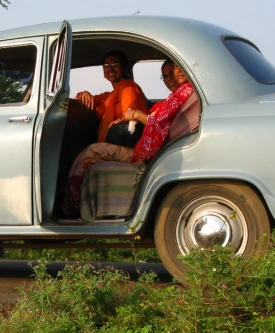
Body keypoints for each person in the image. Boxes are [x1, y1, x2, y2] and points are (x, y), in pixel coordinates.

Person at [63, 59, 195, 216]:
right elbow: (97, 100)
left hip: (150, 151)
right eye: (165, 76)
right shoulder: (176, 95)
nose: (171, 77)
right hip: (149, 145)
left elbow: (157, 123)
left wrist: (134, 115)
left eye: (115, 64)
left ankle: (73, 208)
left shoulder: (183, 93)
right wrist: (83, 93)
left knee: (91, 152)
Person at [75, 50, 148, 143]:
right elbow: (89, 100)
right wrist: (84, 93)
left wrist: (121, 120)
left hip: (127, 141)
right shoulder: (109, 95)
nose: (110, 68)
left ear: (124, 68)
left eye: (115, 64)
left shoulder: (127, 86)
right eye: (106, 65)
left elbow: (130, 111)